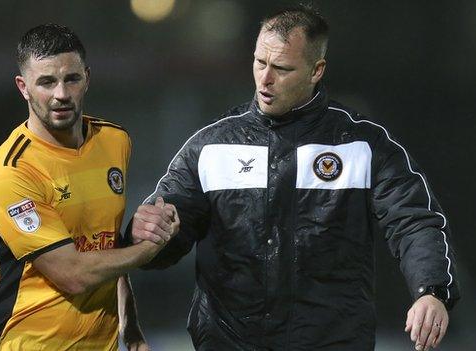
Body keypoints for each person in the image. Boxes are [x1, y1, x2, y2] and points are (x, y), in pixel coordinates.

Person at [130, 5, 459, 351]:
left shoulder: (363, 145)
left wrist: (432, 290)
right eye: (260, 63)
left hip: (330, 342)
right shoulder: (210, 147)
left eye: (282, 68)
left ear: (317, 71)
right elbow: (165, 226)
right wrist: (145, 234)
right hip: (229, 342)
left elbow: (414, 220)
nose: (265, 80)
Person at [0, 24, 178, 351]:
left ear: (87, 78)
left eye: (71, 79)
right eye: (46, 82)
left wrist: (130, 324)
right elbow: (73, 274)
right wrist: (147, 250)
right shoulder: (13, 173)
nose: (61, 94)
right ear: (23, 87)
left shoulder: (115, 142)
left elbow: (107, 249)